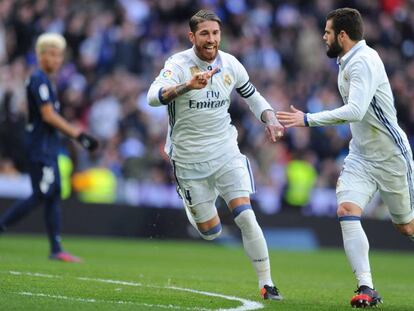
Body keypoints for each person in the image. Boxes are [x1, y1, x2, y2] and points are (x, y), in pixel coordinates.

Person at [277, 7, 414, 308]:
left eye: (327, 32)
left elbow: (356, 110)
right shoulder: (347, 60)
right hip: (361, 156)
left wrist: (308, 119)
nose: (323, 38)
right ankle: (366, 286)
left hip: (391, 156)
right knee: (346, 210)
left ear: (342, 35)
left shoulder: (363, 61)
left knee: (406, 227)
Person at [147, 10, 285, 300]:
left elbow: (253, 96)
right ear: (192, 36)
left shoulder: (230, 64)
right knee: (210, 232)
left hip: (225, 152)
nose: (211, 39)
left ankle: (267, 284)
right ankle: (193, 206)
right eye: (205, 34)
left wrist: (270, 118)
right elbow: (152, 96)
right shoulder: (179, 64)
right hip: (188, 160)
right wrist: (187, 86)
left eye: (215, 33)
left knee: (246, 216)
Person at [0, 33, 98, 262]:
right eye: (51, 54)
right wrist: (78, 134)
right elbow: (47, 115)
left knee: (53, 194)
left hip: (49, 147)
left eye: (59, 56)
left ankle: (56, 248)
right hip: (40, 148)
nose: (56, 60)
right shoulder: (38, 79)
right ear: (41, 55)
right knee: (42, 193)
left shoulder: (47, 81)